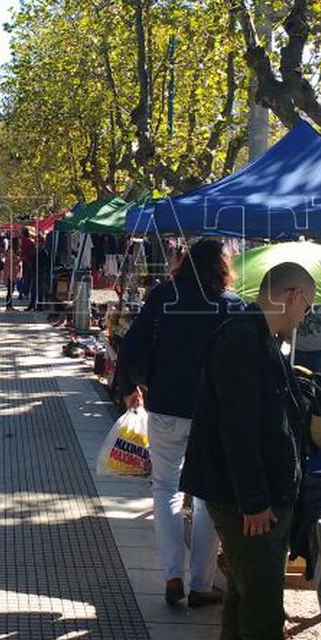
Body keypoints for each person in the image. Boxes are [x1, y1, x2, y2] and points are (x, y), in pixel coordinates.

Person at [181, 262, 315, 640]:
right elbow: (238, 428)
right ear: (292, 296)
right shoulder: (244, 339)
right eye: (307, 307)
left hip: (247, 492)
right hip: (246, 498)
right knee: (261, 606)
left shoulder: (256, 335)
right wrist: (254, 500)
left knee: (245, 589)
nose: (304, 317)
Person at [119, 238, 237, 608]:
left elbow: (132, 342)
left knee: (165, 489)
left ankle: (173, 574)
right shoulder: (231, 306)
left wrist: (127, 387)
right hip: (210, 413)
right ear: (221, 267)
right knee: (204, 496)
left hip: (166, 405)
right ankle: (201, 583)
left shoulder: (163, 295)